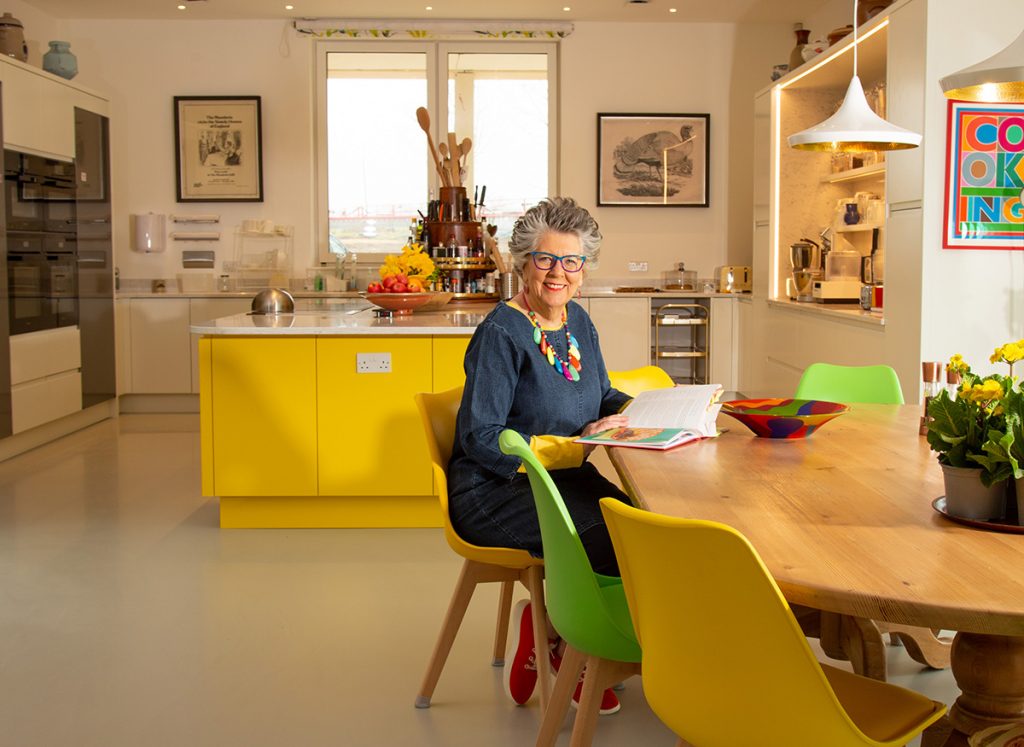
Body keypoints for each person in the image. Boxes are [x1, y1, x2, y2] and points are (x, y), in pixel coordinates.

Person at [447, 196, 633, 715]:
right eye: (545, 259)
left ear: (583, 269)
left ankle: (571, 632)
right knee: (606, 536)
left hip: (558, 478)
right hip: (495, 488)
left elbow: (602, 398)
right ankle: (570, 646)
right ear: (523, 263)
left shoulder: (578, 324)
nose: (558, 272)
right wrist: (574, 445)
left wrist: (642, 412)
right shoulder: (500, 334)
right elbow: (481, 437)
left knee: (640, 522)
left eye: (570, 260)